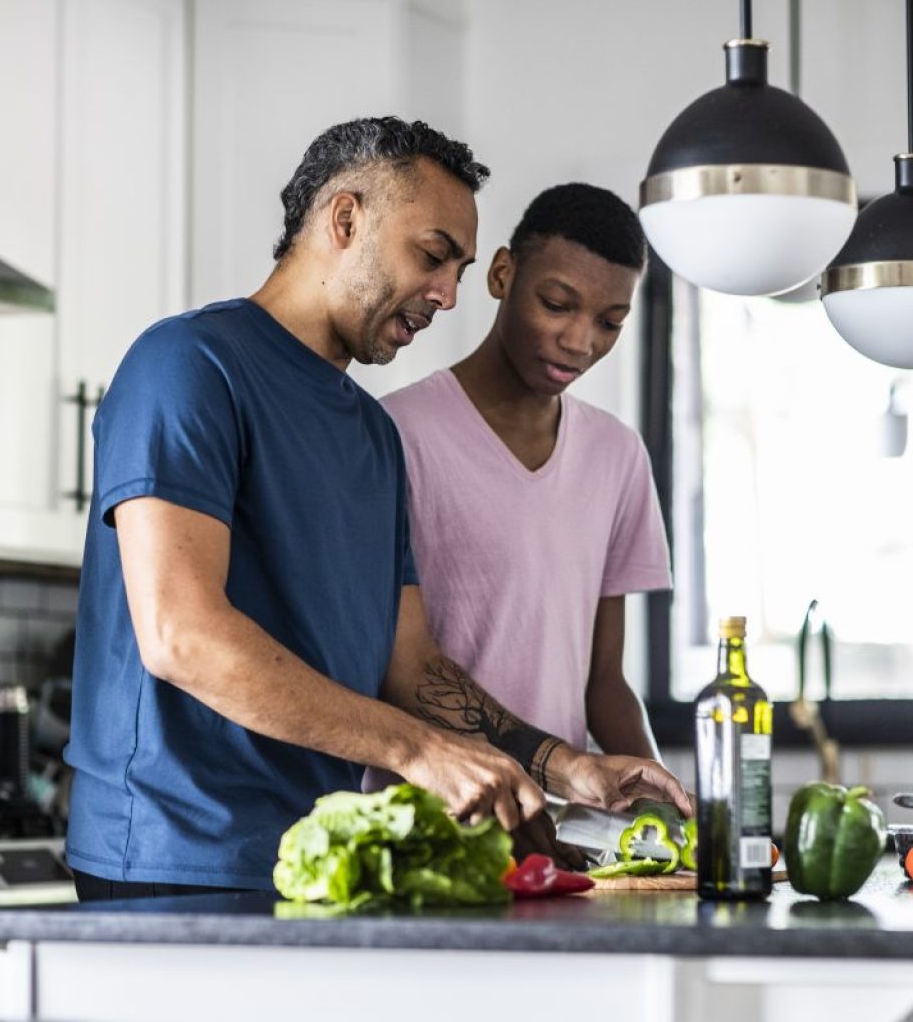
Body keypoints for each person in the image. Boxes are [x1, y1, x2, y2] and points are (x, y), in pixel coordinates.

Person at [64, 120, 689, 901]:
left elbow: (414, 666)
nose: (447, 294)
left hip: (325, 863)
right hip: (170, 865)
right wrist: (421, 753)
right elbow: (181, 636)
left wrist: (564, 765)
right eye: (431, 256)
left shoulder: (371, 433)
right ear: (346, 219)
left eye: (458, 269)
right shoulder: (188, 366)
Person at [382, 183, 669, 763]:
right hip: (430, 825)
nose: (580, 341)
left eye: (610, 321)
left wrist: (667, 810)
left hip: (564, 828)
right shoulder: (393, 433)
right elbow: (393, 666)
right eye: (558, 304)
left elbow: (604, 684)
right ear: (502, 275)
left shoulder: (618, 455)